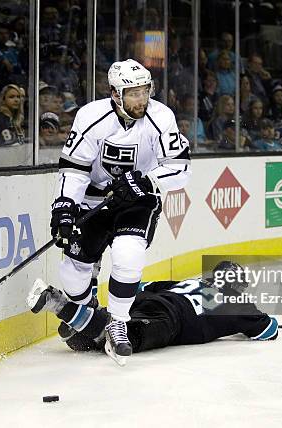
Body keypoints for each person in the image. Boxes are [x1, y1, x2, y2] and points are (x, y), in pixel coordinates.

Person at [48, 59, 191, 365]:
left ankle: (118, 323)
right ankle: (88, 313)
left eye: (145, 91)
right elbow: (74, 169)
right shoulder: (90, 116)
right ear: (115, 93)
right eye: (134, 93)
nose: (142, 99)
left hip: (137, 201)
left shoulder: (161, 116)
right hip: (94, 200)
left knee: (128, 255)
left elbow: (180, 170)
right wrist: (64, 208)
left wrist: (145, 178)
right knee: (72, 273)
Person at [26, 261, 278, 359]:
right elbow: (268, 330)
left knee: (89, 344)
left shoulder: (189, 282)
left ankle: (85, 317)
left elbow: (143, 286)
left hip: (149, 301)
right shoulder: (235, 303)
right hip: (169, 318)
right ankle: (57, 303)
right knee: (122, 339)